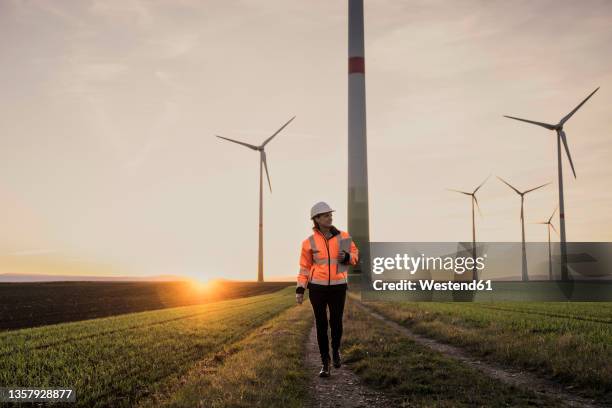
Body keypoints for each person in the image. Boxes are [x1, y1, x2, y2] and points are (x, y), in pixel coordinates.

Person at [296, 201, 359, 377]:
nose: (330, 217)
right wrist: (300, 289)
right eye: (325, 215)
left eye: (330, 215)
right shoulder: (308, 242)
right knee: (321, 325)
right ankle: (325, 362)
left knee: (336, 323)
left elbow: (355, 256)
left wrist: (347, 256)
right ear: (316, 219)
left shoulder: (343, 236)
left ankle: (336, 351)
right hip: (317, 288)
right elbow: (304, 268)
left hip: (338, 286)